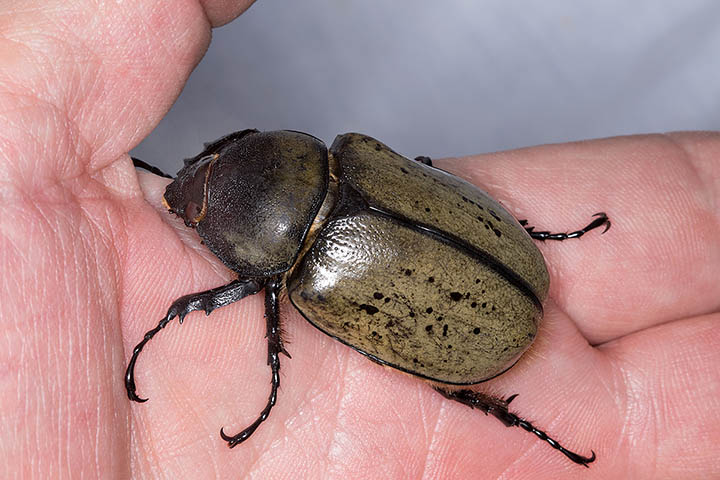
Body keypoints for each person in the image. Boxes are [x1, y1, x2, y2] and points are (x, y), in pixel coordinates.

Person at [1, 1, 718, 477]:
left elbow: (261, 295)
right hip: (495, 285)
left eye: (207, 176)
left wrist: (245, 363)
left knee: (423, 365)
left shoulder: (304, 279)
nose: (195, 175)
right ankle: (531, 411)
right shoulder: (356, 156)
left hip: (483, 309)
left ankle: (524, 417)